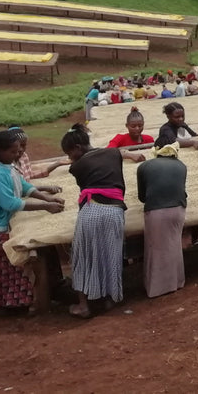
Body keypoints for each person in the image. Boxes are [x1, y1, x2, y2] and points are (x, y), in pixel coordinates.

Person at [0, 131, 65, 314]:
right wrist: (45, 206)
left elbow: (23, 186)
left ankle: (46, 291)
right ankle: (16, 304)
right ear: (0, 151)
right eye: (14, 152)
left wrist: (45, 197)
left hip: (4, 221)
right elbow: (10, 203)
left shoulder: (5, 166)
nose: (18, 155)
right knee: (17, 262)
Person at [61, 126, 144, 318]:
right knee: (111, 254)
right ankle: (109, 299)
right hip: (115, 211)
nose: (70, 157)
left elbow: (88, 185)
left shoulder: (77, 167)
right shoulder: (114, 153)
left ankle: (84, 305)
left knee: (83, 256)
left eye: (70, 153)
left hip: (92, 211)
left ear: (77, 147)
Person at [136, 138, 187, 298]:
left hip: (156, 211)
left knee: (155, 249)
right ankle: (177, 282)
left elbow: (142, 197)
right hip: (179, 209)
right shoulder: (181, 166)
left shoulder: (144, 167)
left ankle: (157, 288)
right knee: (174, 245)